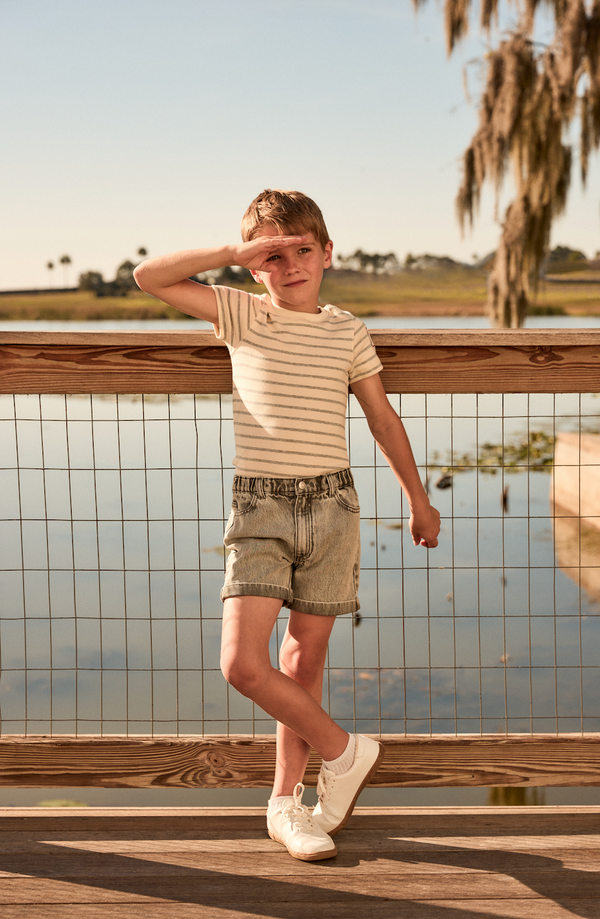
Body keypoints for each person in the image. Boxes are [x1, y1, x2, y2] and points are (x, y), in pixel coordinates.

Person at [134, 189, 441, 862]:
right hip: (261, 508)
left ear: (327, 253)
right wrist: (230, 253)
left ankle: (288, 805)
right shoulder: (242, 314)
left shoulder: (346, 330)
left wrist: (418, 498)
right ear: (254, 266)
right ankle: (345, 750)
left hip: (333, 507)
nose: (291, 264)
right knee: (244, 664)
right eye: (273, 255)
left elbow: (383, 419)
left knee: (304, 662)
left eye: (303, 249)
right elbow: (148, 278)